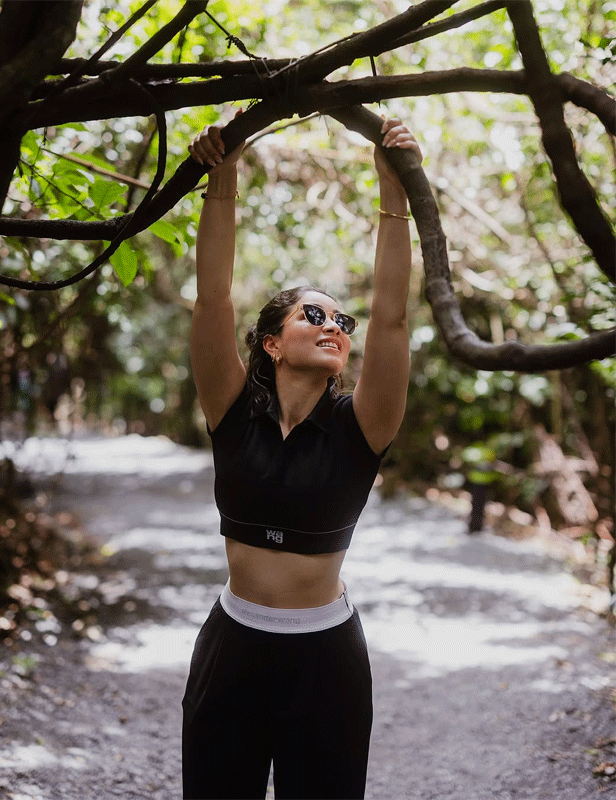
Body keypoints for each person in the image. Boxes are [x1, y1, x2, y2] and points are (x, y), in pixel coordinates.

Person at [183, 111, 421, 800]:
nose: (333, 326)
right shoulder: (232, 411)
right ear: (272, 343)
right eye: (312, 315)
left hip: (327, 658)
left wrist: (394, 193)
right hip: (233, 645)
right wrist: (222, 180)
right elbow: (212, 299)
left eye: (341, 321)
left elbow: (393, 318)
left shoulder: (363, 426)